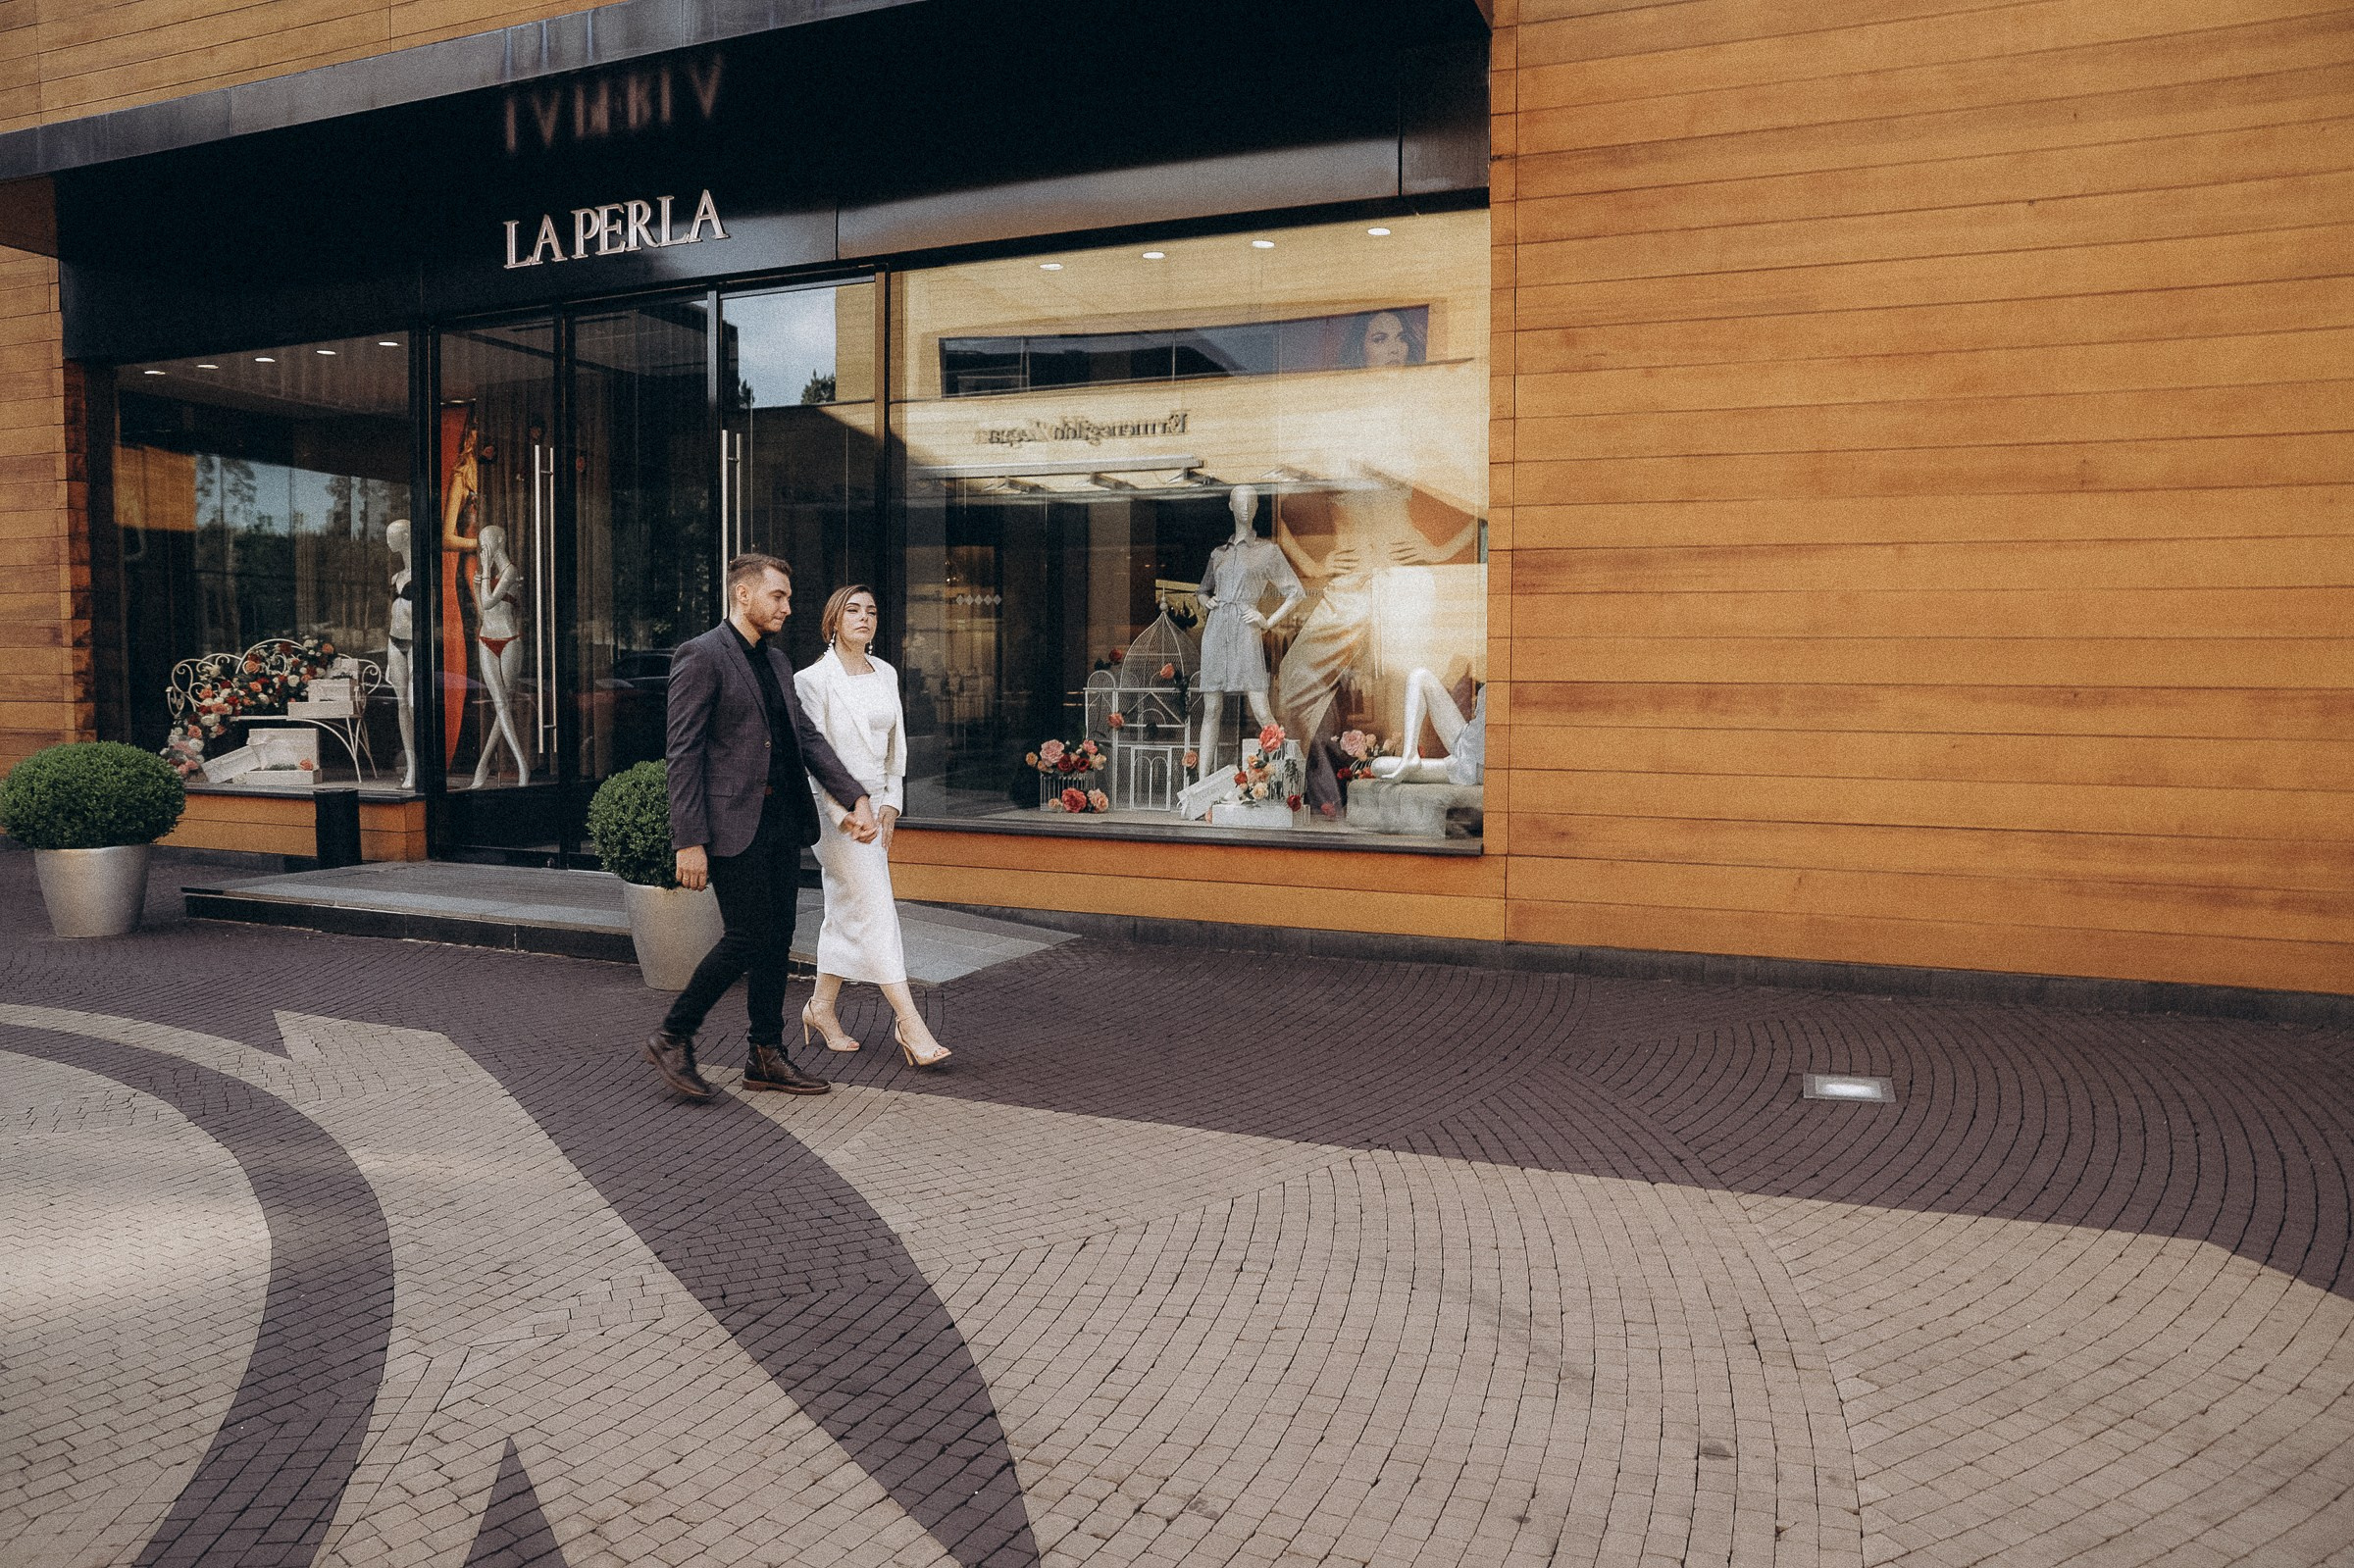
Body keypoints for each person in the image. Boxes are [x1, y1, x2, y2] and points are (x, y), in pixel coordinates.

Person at [641, 552, 878, 1101]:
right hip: (731, 826)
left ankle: (765, 1055)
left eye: (789, 597)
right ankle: (672, 1035)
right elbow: (683, 755)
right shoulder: (701, 656)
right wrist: (690, 840)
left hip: (779, 822)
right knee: (746, 937)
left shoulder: (775, 664)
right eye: (778, 596)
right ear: (742, 595)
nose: (788, 607)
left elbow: (807, 739)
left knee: (774, 942)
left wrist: (855, 796)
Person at [794, 585, 952, 1069]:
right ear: (833, 621)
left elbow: (895, 748)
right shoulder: (811, 680)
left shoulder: (885, 672)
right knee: (877, 907)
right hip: (836, 814)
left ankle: (820, 1007)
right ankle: (910, 1022)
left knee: (848, 908)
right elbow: (812, 758)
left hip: (877, 807)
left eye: (872, 610)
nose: (865, 618)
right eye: (853, 610)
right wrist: (844, 813)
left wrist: (892, 803)